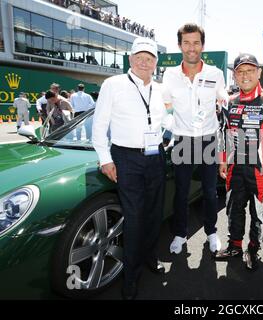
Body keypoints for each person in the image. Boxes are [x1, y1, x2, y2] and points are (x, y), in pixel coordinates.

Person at [92, 37, 173, 300]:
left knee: (153, 214)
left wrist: (168, 135)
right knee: (135, 219)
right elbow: (99, 125)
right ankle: (131, 277)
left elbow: (169, 117)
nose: (144, 61)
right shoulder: (113, 85)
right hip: (126, 159)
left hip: (155, 156)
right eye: (139, 56)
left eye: (149, 58)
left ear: (155, 64)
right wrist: (105, 158)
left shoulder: (161, 90)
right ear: (130, 59)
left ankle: (150, 257)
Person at [214, 53, 263, 270]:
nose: (245, 75)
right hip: (234, 167)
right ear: (235, 75)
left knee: (259, 215)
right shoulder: (228, 102)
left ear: (259, 73)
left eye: (250, 70)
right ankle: (235, 246)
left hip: (261, 171)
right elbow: (222, 132)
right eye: (240, 71)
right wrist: (222, 160)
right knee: (233, 209)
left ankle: (253, 250)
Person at [162, 23, 227, 255]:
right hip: (182, 142)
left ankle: (211, 232)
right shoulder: (169, 75)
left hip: (208, 139)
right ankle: (180, 234)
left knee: (210, 192)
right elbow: (164, 108)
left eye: (196, 42)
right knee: (181, 192)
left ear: (202, 45)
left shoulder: (215, 74)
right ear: (180, 45)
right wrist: (174, 126)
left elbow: (226, 101)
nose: (191, 47)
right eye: (187, 42)